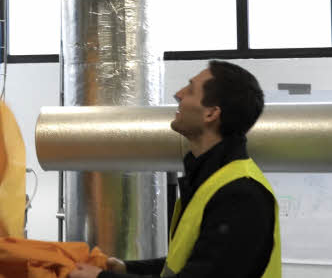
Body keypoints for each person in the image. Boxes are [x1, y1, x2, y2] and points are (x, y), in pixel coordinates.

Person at [69, 60, 281, 278]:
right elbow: (192, 262)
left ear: (211, 114)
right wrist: (126, 268)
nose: (178, 94)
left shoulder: (241, 195)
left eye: (189, 90)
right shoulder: (209, 181)